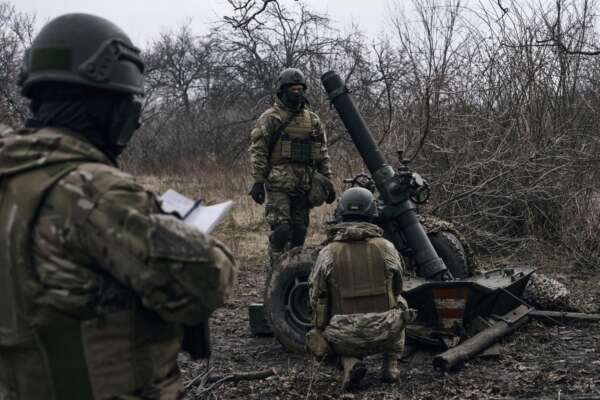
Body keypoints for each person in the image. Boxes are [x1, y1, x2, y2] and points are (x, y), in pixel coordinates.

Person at [0, 14, 236, 400]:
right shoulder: (94, 193)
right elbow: (207, 280)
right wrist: (179, 230)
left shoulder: (12, 177)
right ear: (107, 107)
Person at [306, 187, 416, 391]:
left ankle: (349, 363)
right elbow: (398, 285)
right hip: (386, 332)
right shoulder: (387, 248)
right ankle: (390, 366)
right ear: (372, 213)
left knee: (314, 332)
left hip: (343, 336)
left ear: (340, 213)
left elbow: (315, 295)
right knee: (401, 302)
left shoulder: (328, 252)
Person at [249, 68, 335, 266]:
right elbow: (258, 151)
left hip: (303, 184)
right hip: (278, 183)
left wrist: (328, 183)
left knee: (299, 231)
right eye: (293, 89)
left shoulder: (312, 120)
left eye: (300, 89)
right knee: (281, 230)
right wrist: (258, 182)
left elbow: (322, 154)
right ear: (282, 91)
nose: (297, 93)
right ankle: (275, 270)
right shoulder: (271, 118)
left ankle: (292, 273)